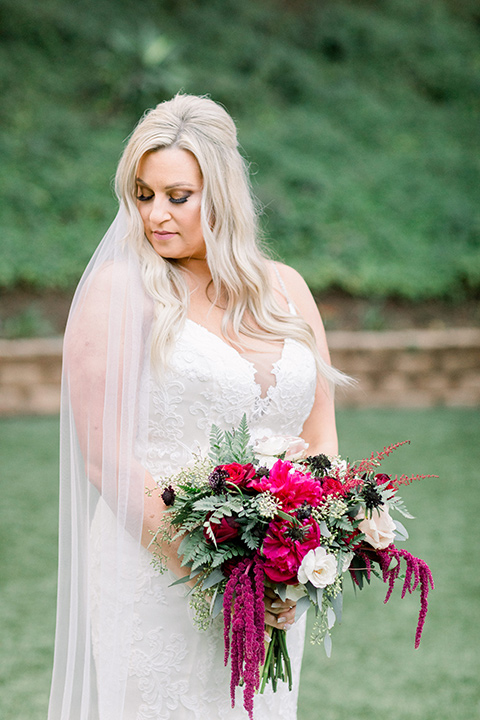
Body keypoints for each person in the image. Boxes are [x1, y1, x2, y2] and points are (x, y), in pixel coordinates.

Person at [48, 93, 349, 720]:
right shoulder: (119, 295)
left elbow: (321, 437)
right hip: (158, 575)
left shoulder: (286, 289)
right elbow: (106, 463)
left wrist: (299, 563)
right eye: (143, 195)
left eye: (177, 196)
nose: (156, 214)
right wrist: (227, 580)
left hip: (272, 587)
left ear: (223, 194)